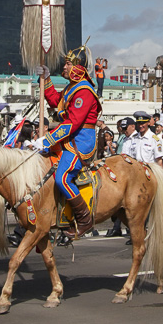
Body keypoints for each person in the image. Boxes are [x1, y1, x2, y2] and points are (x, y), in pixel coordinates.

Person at [32, 46, 100, 237]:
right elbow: (55, 101)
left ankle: (84, 219)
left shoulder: (85, 90)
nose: (65, 66)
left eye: (69, 63)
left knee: (62, 177)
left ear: (79, 66)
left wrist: (46, 140)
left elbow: (73, 123)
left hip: (80, 140)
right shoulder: (72, 87)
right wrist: (46, 79)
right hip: (68, 137)